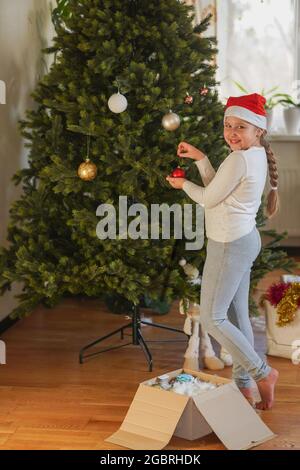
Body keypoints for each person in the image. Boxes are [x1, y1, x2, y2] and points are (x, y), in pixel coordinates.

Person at [166, 93, 280, 410]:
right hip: (243, 240)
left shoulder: (239, 159)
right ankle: (244, 387)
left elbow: (208, 198)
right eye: (228, 125)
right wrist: (202, 159)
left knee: (213, 318)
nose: (231, 132)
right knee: (235, 314)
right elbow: (221, 189)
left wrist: (183, 185)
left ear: (258, 129)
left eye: (240, 126)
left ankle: (262, 373)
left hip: (229, 244)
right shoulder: (253, 155)